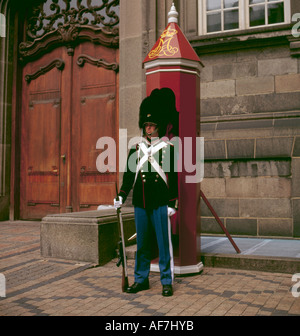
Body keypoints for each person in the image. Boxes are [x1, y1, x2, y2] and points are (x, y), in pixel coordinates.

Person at [114, 90, 178, 297]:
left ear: (158, 127)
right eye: (146, 126)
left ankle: (166, 281)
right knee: (142, 244)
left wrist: (172, 204)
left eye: (152, 126)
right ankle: (141, 279)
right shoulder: (136, 149)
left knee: (163, 244)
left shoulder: (167, 149)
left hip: (160, 203)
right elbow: (128, 176)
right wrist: (121, 197)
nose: (149, 129)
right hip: (141, 203)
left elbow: (173, 177)